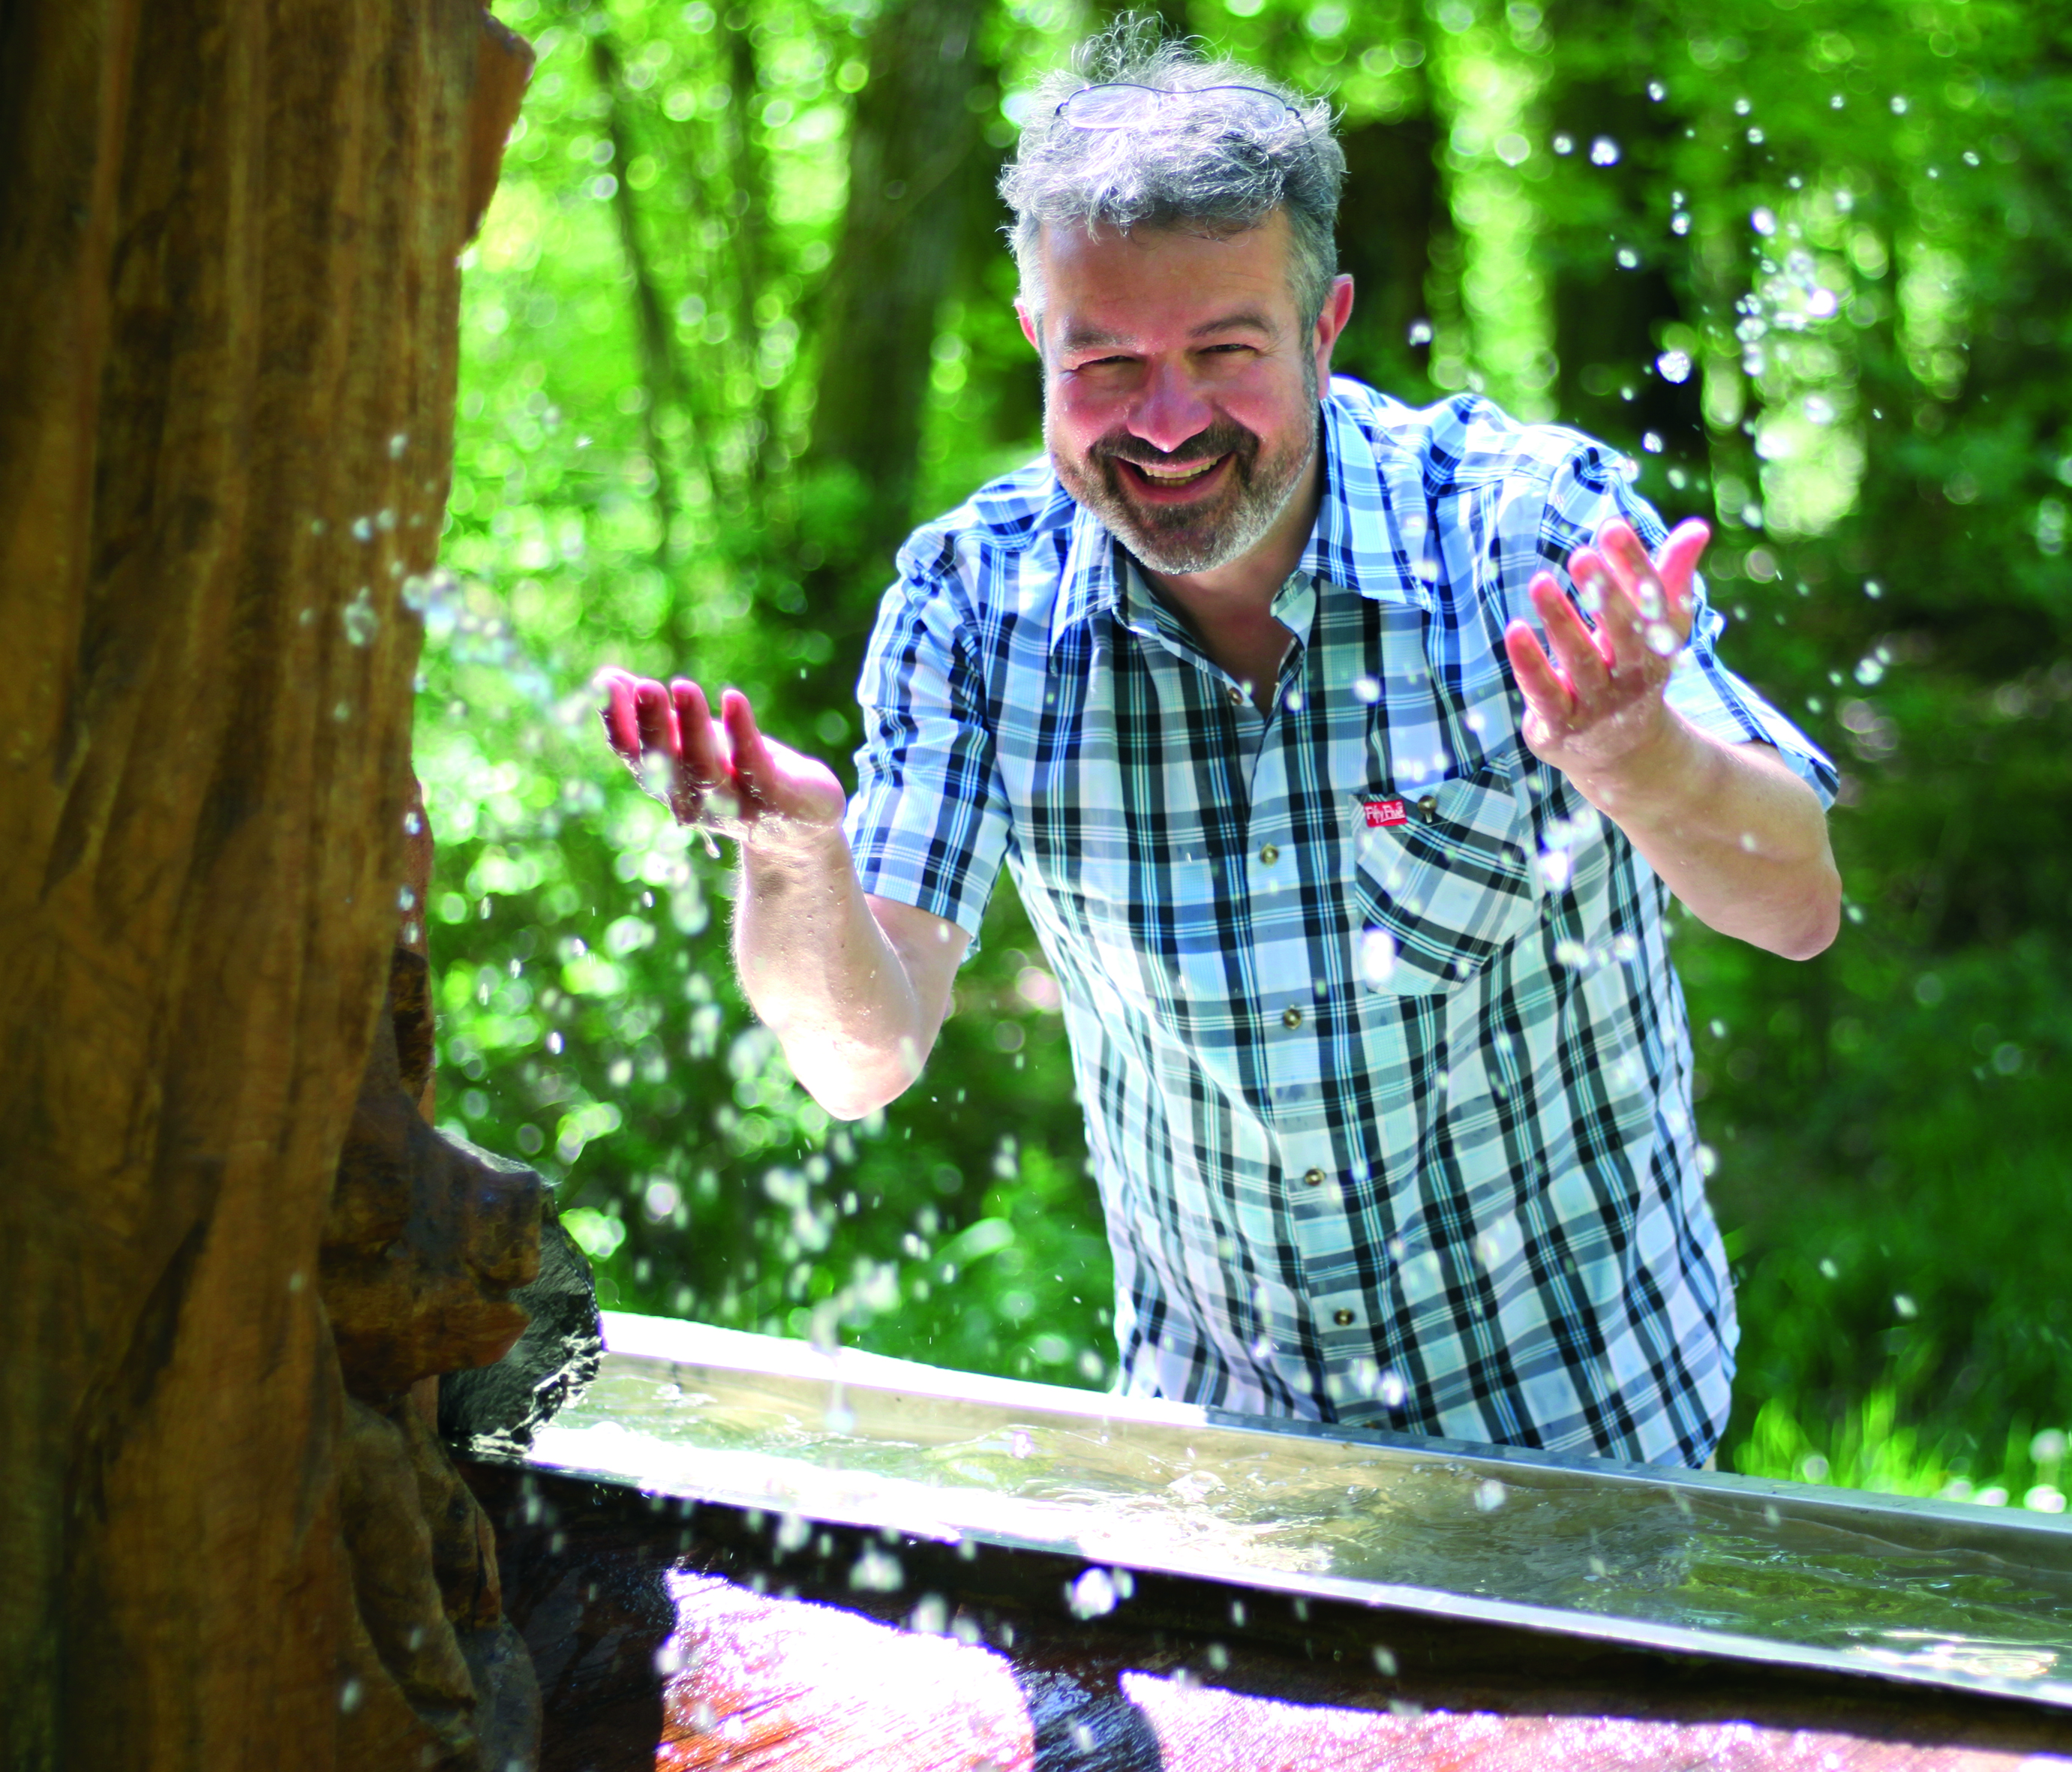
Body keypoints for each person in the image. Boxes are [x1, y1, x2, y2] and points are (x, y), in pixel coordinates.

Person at [598, 21, 1840, 1469]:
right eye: (1107, 361)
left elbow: (1797, 904)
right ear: (1034, 340)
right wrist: (796, 857)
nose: (1169, 420)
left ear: (1325, 328)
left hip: (1587, 1429)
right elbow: (858, 1058)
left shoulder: (1527, 528)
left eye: (1225, 351)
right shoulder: (970, 603)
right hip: (1216, 1460)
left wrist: (1638, 756)